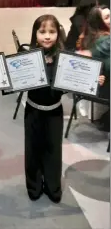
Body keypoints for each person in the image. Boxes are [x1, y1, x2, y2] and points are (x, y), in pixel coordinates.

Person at [24, 14, 105, 203]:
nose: (47, 36)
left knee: (53, 150)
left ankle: (53, 187)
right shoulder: (29, 58)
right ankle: (33, 186)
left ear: (58, 34)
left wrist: (93, 79)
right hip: (33, 111)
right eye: (42, 31)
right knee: (33, 150)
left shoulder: (64, 58)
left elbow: (75, 82)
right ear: (35, 34)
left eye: (52, 32)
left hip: (54, 111)